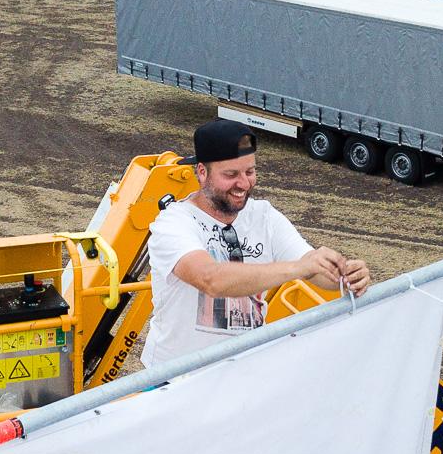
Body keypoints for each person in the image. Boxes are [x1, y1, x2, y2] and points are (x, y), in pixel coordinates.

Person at [141, 119, 371, 369]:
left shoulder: (264, 217)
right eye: (231, 174)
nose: (243, 183)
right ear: (202, 172)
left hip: (243, 371)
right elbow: (210, 279)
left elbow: (317, 271)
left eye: (249, 172)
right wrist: (299, 268)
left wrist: (346, 278)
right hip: (176, 378)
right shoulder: (173, 223)